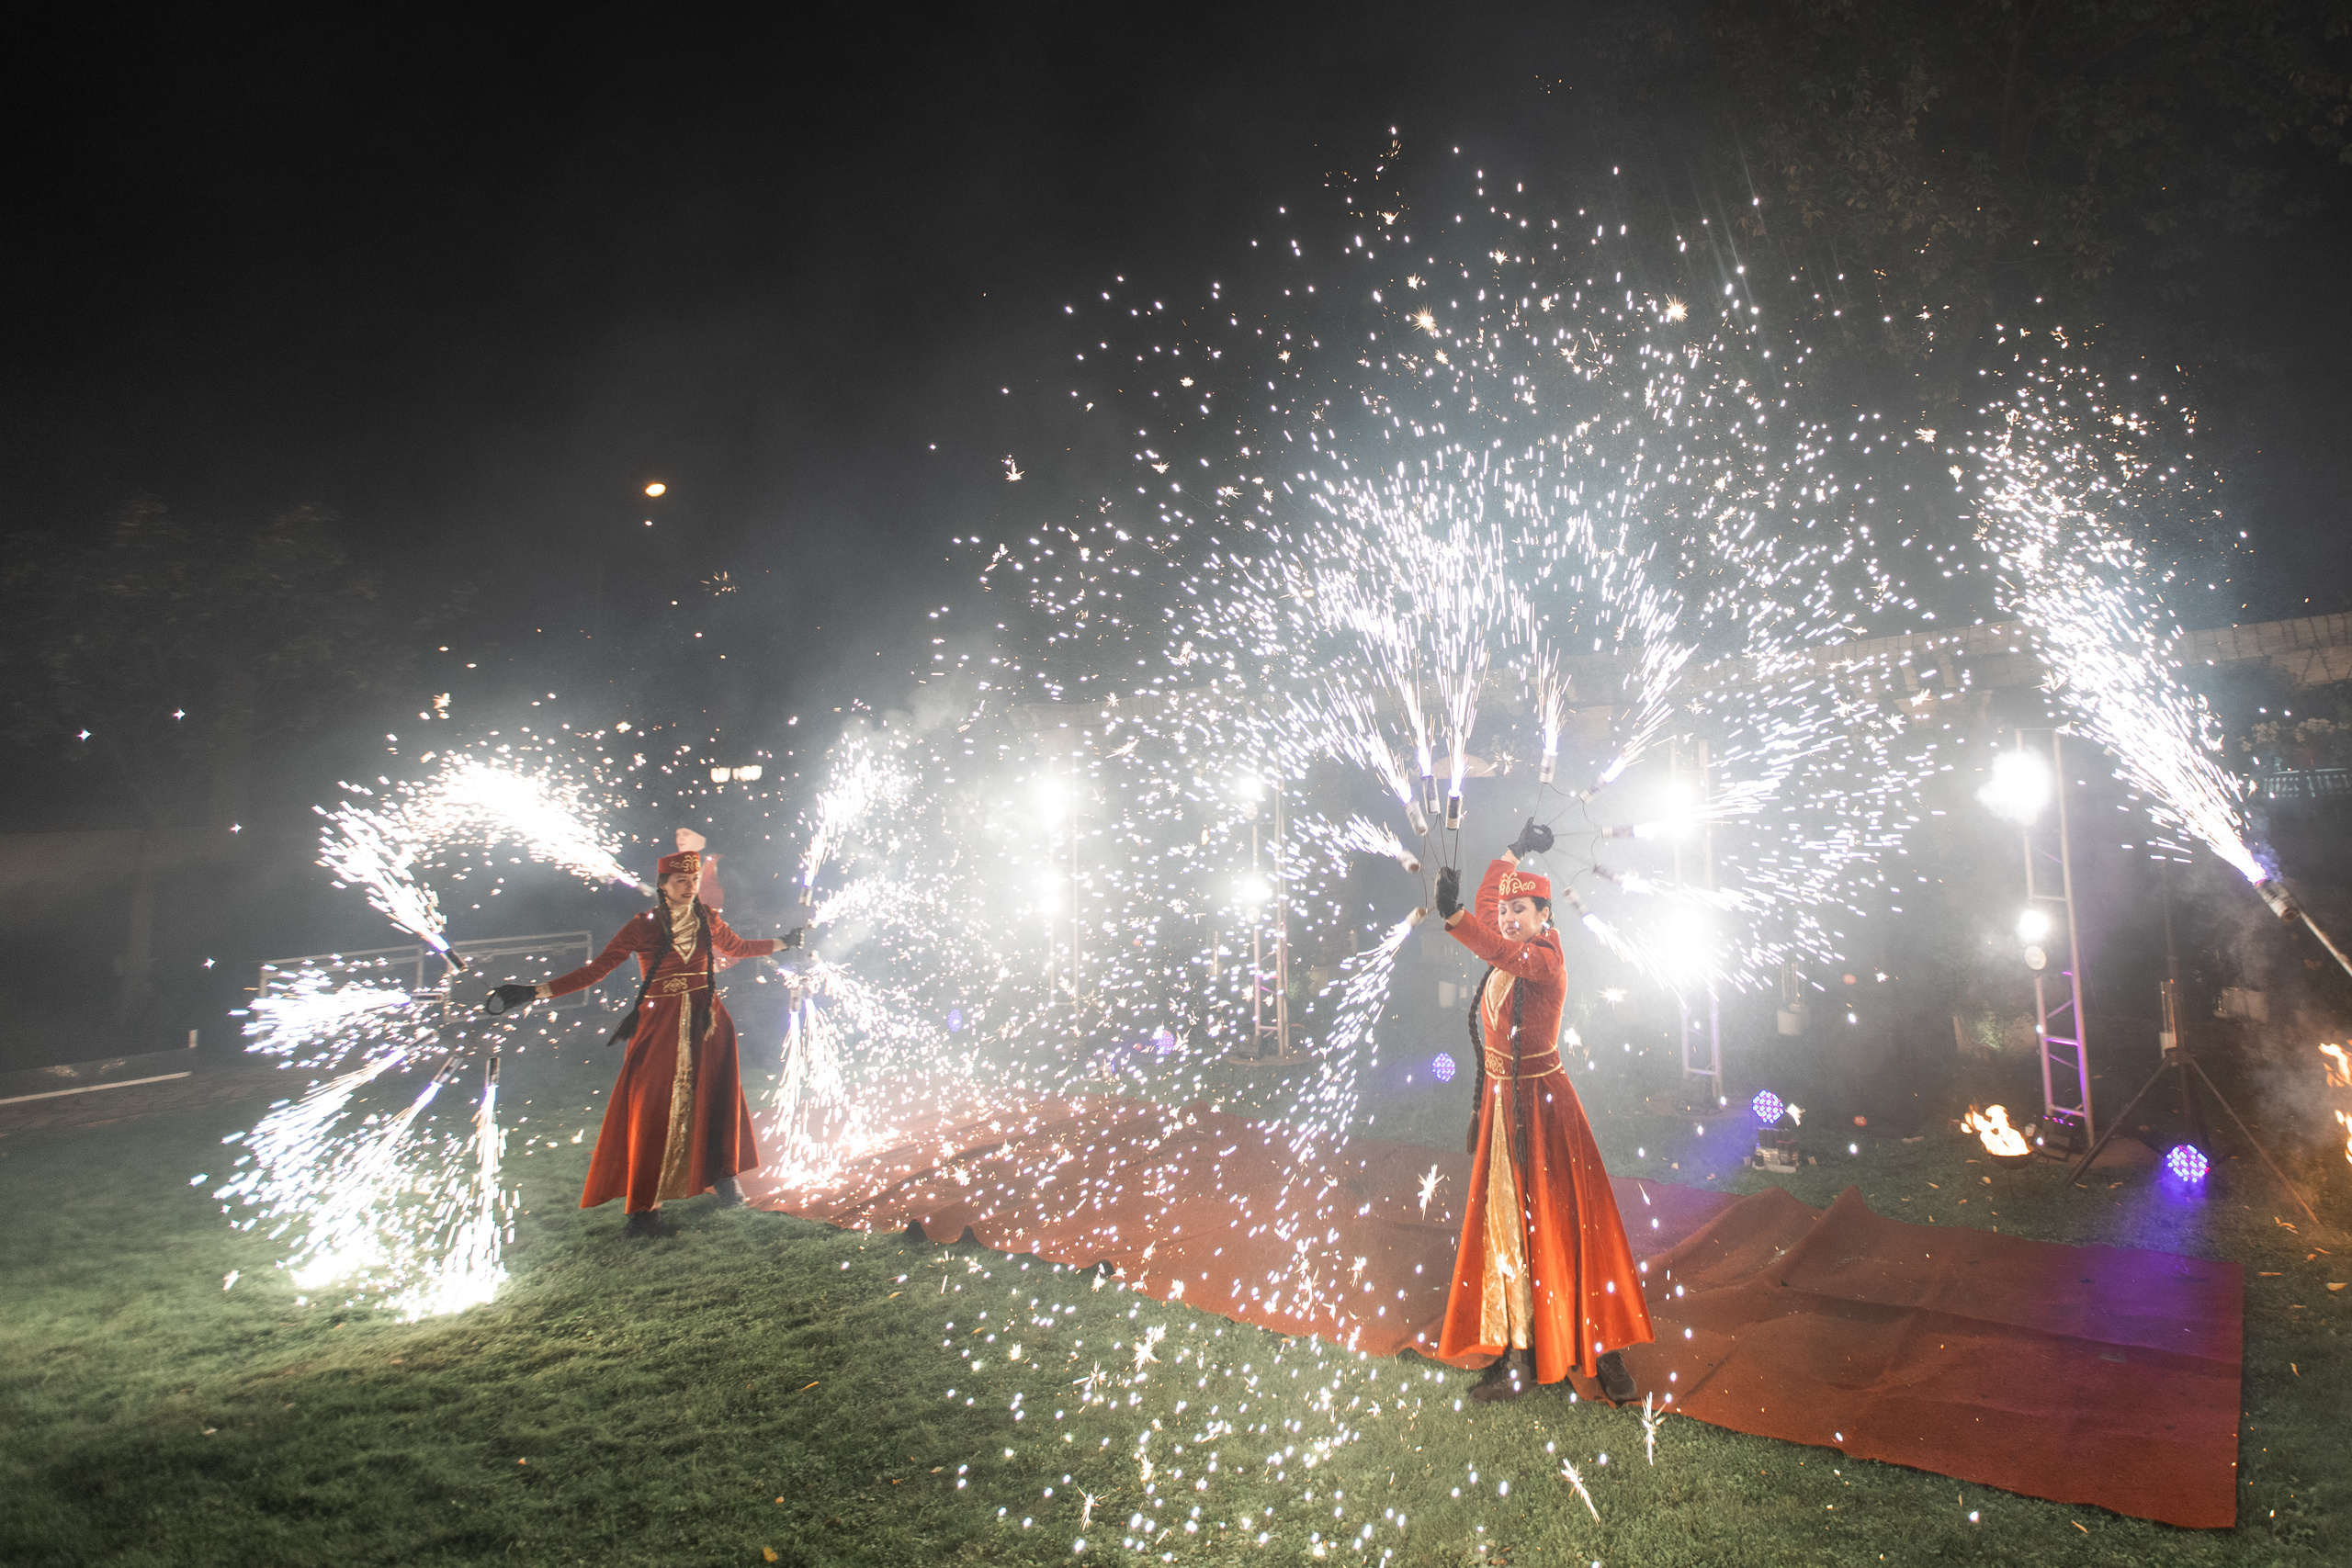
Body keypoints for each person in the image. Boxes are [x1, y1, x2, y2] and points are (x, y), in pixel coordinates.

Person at [1432, 818, 1652, 1403]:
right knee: (1507, 1232)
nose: (1508, 920)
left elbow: (1492, 939)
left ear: (1544, 919)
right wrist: (1514, 848)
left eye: (1521, 912)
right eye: (1506, 913)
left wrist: (1456, 921)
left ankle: (1602, 1349)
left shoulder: (1544, 958)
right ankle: (1518, 1352)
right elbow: (1489, 907)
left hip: (1546, 1110)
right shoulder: (1510, 943)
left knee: (1566, 1228)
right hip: (1506, 1110)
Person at [486, 849, 805, 1237]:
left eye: (693, 881)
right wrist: (537, 991)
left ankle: (724, 1180)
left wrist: (783, 943)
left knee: (715, 1098)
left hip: (709, 1022)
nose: (689, 888)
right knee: (651, 1106)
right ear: (663, 886)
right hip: (661, 1024)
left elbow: (737, 947)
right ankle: (643, 1211)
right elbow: (598, 968)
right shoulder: (643, 925)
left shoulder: (707, 918)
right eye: (680, 882)